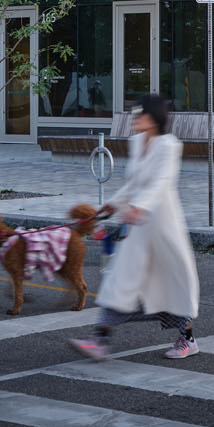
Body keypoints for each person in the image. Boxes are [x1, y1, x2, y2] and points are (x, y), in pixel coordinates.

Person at [71, 94, 200, 361]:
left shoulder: (168, 146)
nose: (134, 119)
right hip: (139, 228)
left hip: (163, 227)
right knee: (121, 279)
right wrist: (113, 204)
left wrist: (140, 206)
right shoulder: (138, 142)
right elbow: (134, 183)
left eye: (139, 115)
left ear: (153, 119)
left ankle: (187, 339)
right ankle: (99, 340)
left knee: (171, 284)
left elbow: (161, 182)